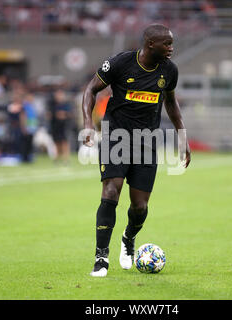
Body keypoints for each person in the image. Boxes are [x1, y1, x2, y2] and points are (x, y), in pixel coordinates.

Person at [81, 24, 191, 277]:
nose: (171, 48)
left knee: (139, 206)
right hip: (116, 137)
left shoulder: (169, 70)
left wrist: (182, 135)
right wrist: (88, 123)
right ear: (151, 44)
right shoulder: (121, 63)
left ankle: (128, 238)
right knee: (111, 191)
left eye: (172, 43)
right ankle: (101, 258)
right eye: (167, 44)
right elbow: (90, 90)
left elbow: (171, 103)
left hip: (147, 141)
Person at [48, 89, 72, 164]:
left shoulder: (66, 104)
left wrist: (63, 114)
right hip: (55, 126)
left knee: (64, 142)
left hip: (64, 126)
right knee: (56, 142)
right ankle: (57, 157)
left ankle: (66, 158)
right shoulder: (52, 104)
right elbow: (49, 115)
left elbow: (69, 114)